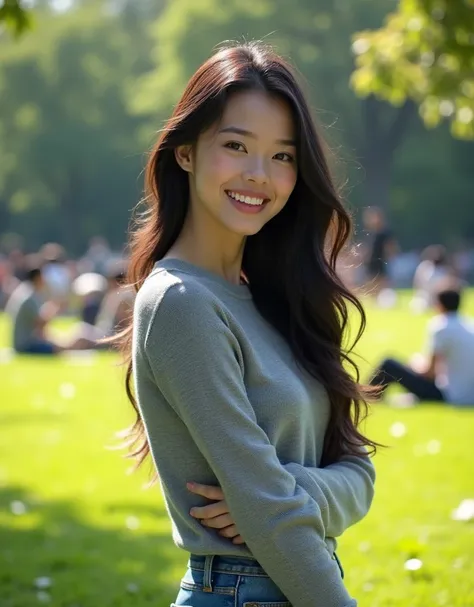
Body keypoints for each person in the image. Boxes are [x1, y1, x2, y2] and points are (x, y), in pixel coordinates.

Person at [116, 43, 378, 607]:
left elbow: (357, 473)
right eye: (236, 146)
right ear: (185, 152)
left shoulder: (274, 299)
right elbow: (270, 510)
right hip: (243, 590)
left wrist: (293, 491)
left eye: (283, 156)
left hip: (293, 579)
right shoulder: (181, 302)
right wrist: (272, 501)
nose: (259, 175)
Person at [369, 286, 474, 406]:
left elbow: (430, 373)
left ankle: (368, 395)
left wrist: (415, 365)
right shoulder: (469, 324)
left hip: (449, 395)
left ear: (439, 305)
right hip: (469, 395)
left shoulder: (441, 326)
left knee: (388, 365)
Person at [5, 262, 99, 354]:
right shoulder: (29, 296)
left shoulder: (26, 291)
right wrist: (56, 308)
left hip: (24, 342)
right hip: (25, 345)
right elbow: (40, 323)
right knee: (60, 348)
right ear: (38, 278)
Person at [362, 206, 398, 300]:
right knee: (371, 282)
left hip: (381, 260)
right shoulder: (371, 233)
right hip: (371, 261)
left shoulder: (385, 232)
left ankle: (384, 298)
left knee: (383, 282)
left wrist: (391, 257)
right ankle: (374, 300)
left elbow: (391, 246)